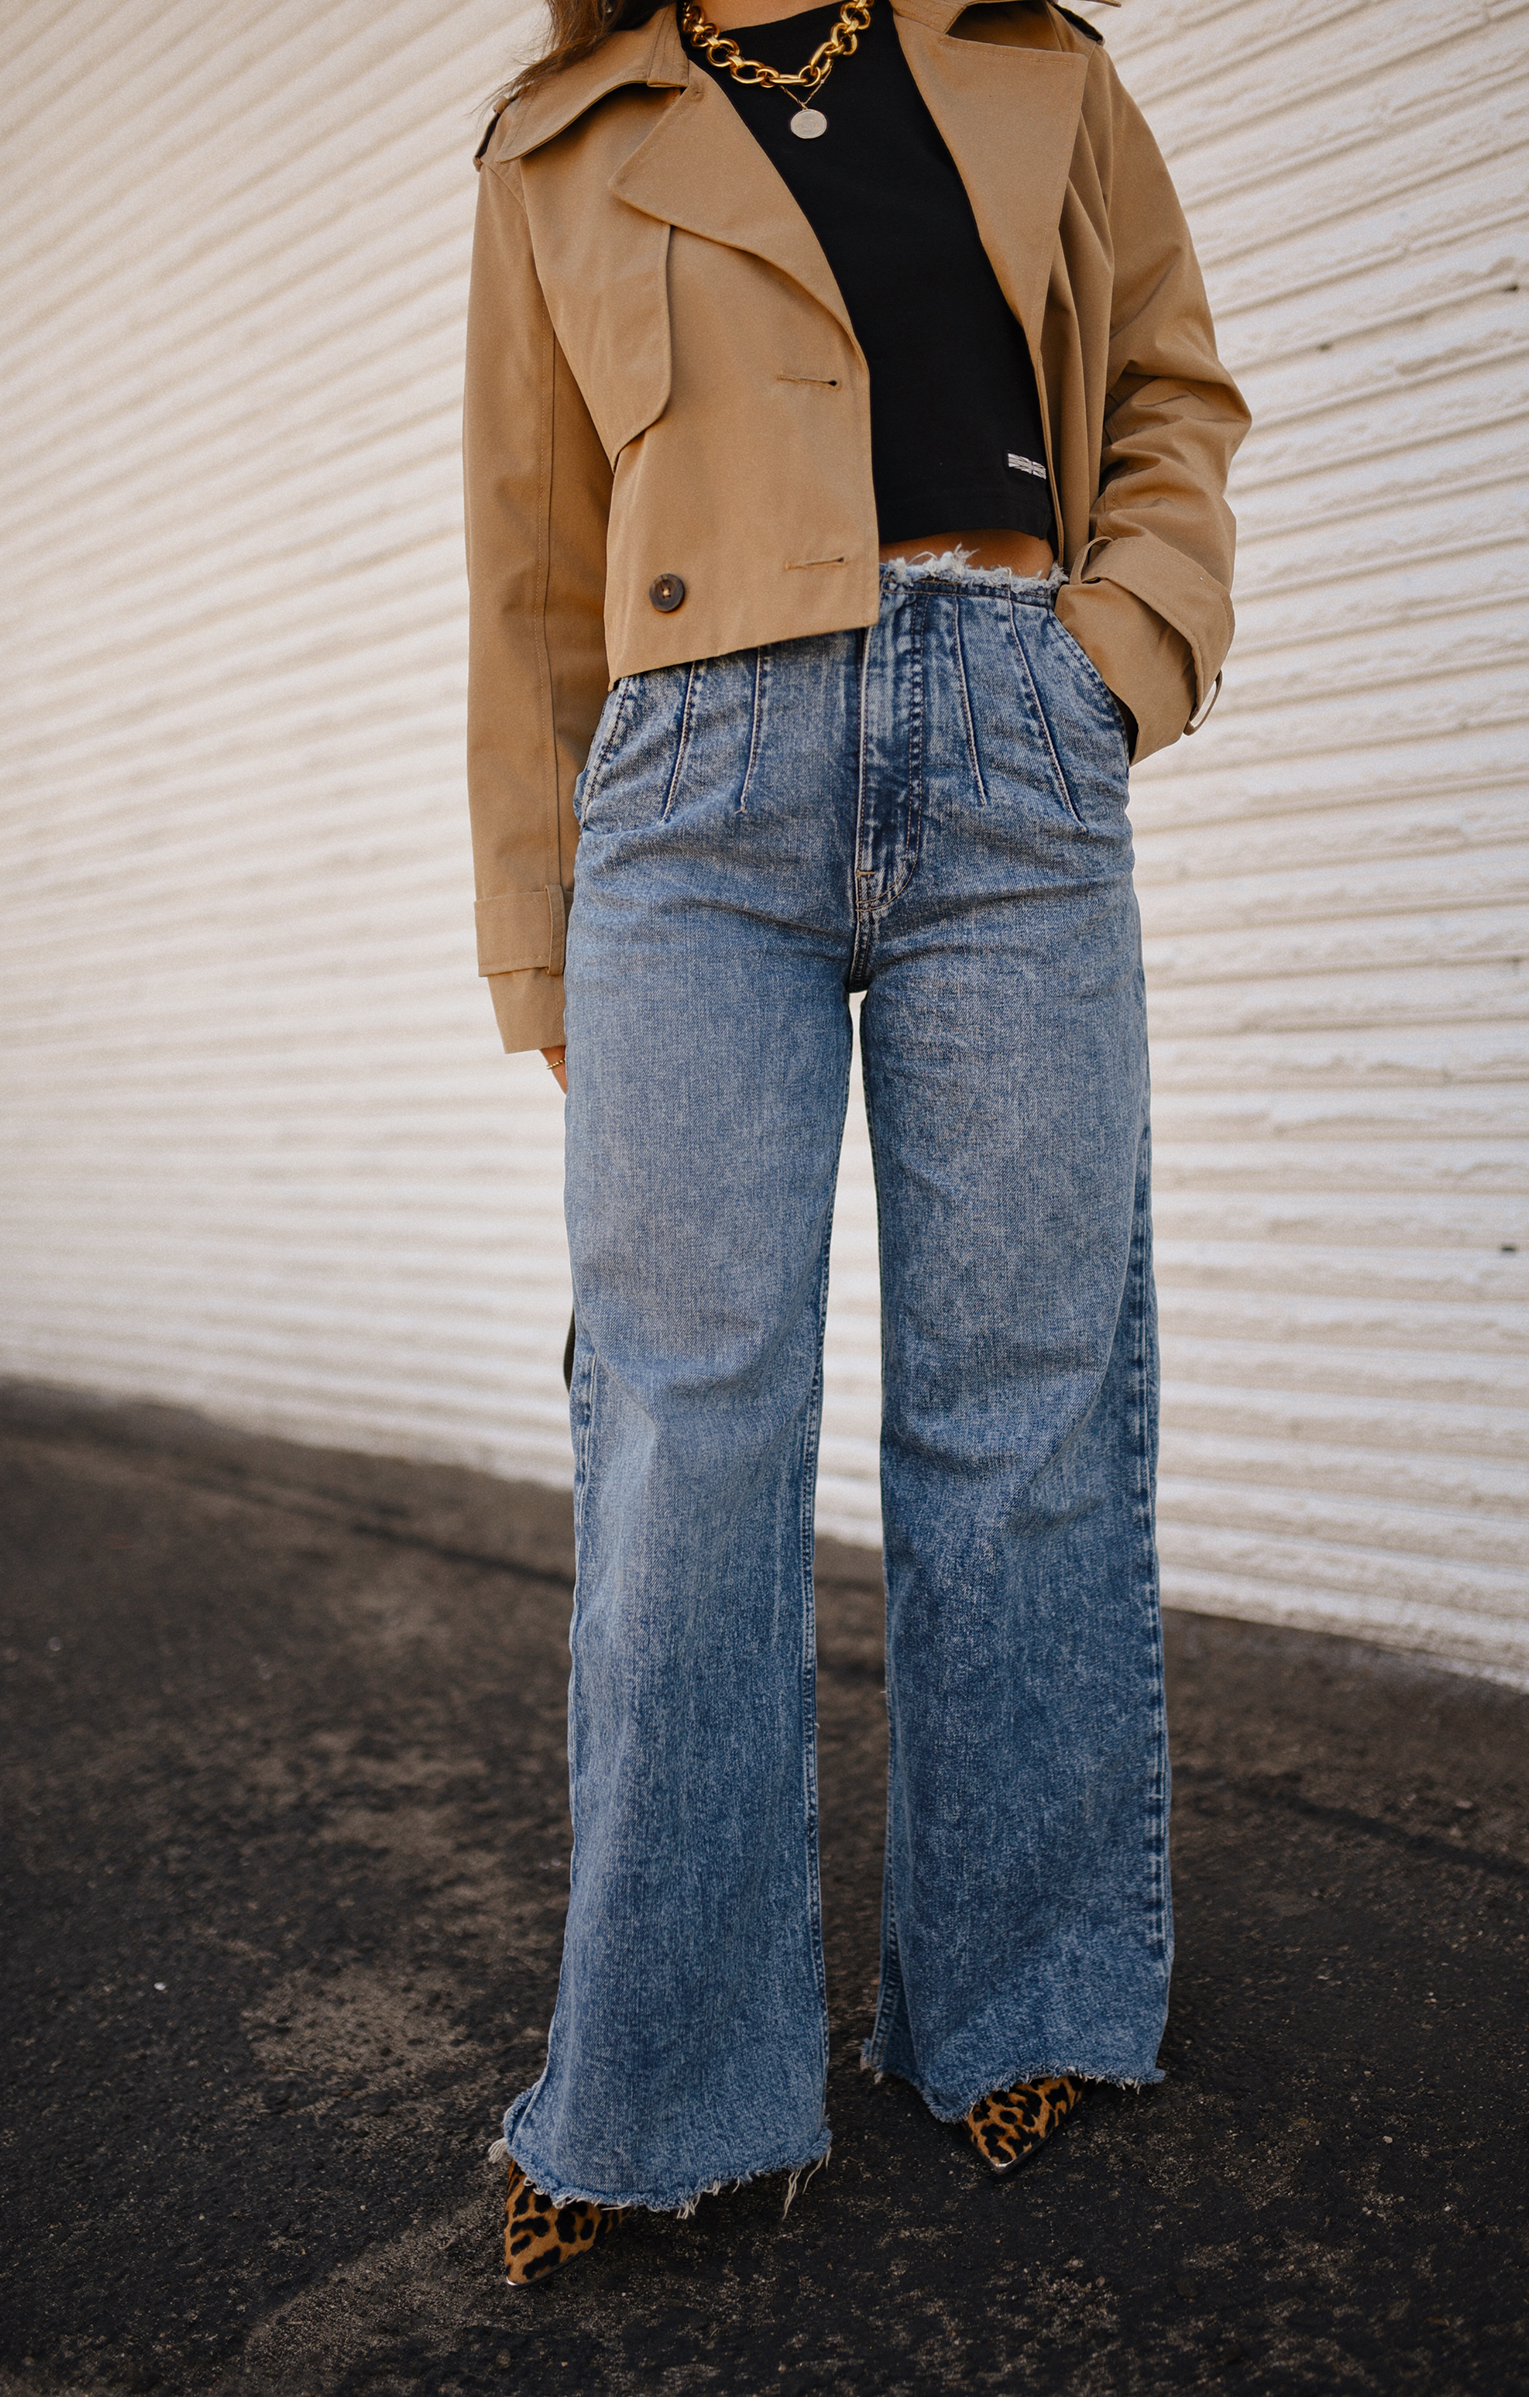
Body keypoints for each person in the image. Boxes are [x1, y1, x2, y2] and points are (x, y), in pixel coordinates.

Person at [463, 0, 1248, 2285]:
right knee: (682, 1427)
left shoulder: (1044, 72)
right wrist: (539, 943)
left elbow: (1173, 401)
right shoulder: (561, 136)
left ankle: (1020, 1995)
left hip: (1014, 739)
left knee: (1021, 1402)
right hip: (687, 795)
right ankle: (668, 2080)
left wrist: (1122, 653)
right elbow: (526, 569)